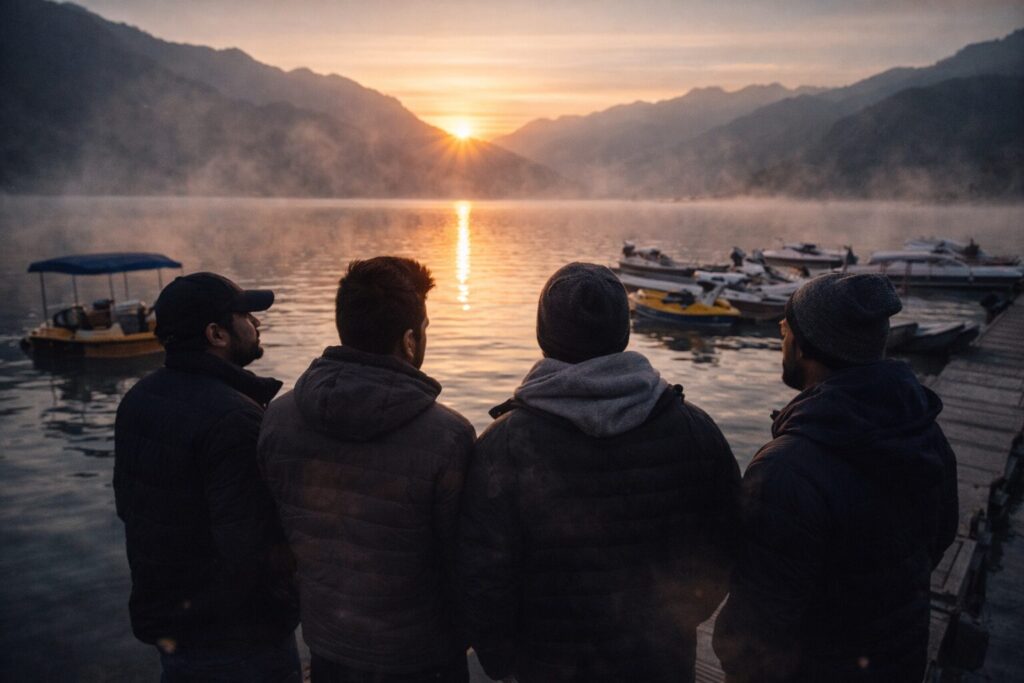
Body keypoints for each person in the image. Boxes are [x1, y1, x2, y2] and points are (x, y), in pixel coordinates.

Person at [457, 262, 741, 683]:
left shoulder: (504, 444)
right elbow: (728, 547)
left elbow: (481, 577)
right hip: (660, 664)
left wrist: (505, 660)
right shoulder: (695, 431)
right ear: (622, 333)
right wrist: (677, 619)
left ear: (544, 334)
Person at [713, 273, 959, 683]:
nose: (780, 332)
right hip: (896, 661)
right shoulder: (924, 433)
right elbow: (939, 538)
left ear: (808, 345)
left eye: (786, 326)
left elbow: (754, 628)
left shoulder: (787, 470)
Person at [258, 256, 475, 683]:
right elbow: (464, 559)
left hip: (329, 646)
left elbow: (276, 538)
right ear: (410, 341)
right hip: (423, 658)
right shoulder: (447, 436)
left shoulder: (277, 419)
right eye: (425, 329)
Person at [113, 272, 300, 682]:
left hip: (172, 624)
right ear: (216, 333)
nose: (256, 324)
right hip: (238, 640)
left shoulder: (138, 398)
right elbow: (249, 548)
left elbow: (128, 506)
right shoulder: (235, 418)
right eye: (246, 316)